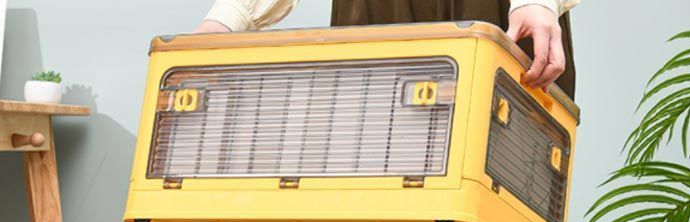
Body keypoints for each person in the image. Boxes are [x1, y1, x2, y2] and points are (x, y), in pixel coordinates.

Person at [194, 0, 579, 98]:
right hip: (377, 13)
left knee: (492, 220)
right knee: (370, 209)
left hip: (494, 13)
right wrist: (228, 18)